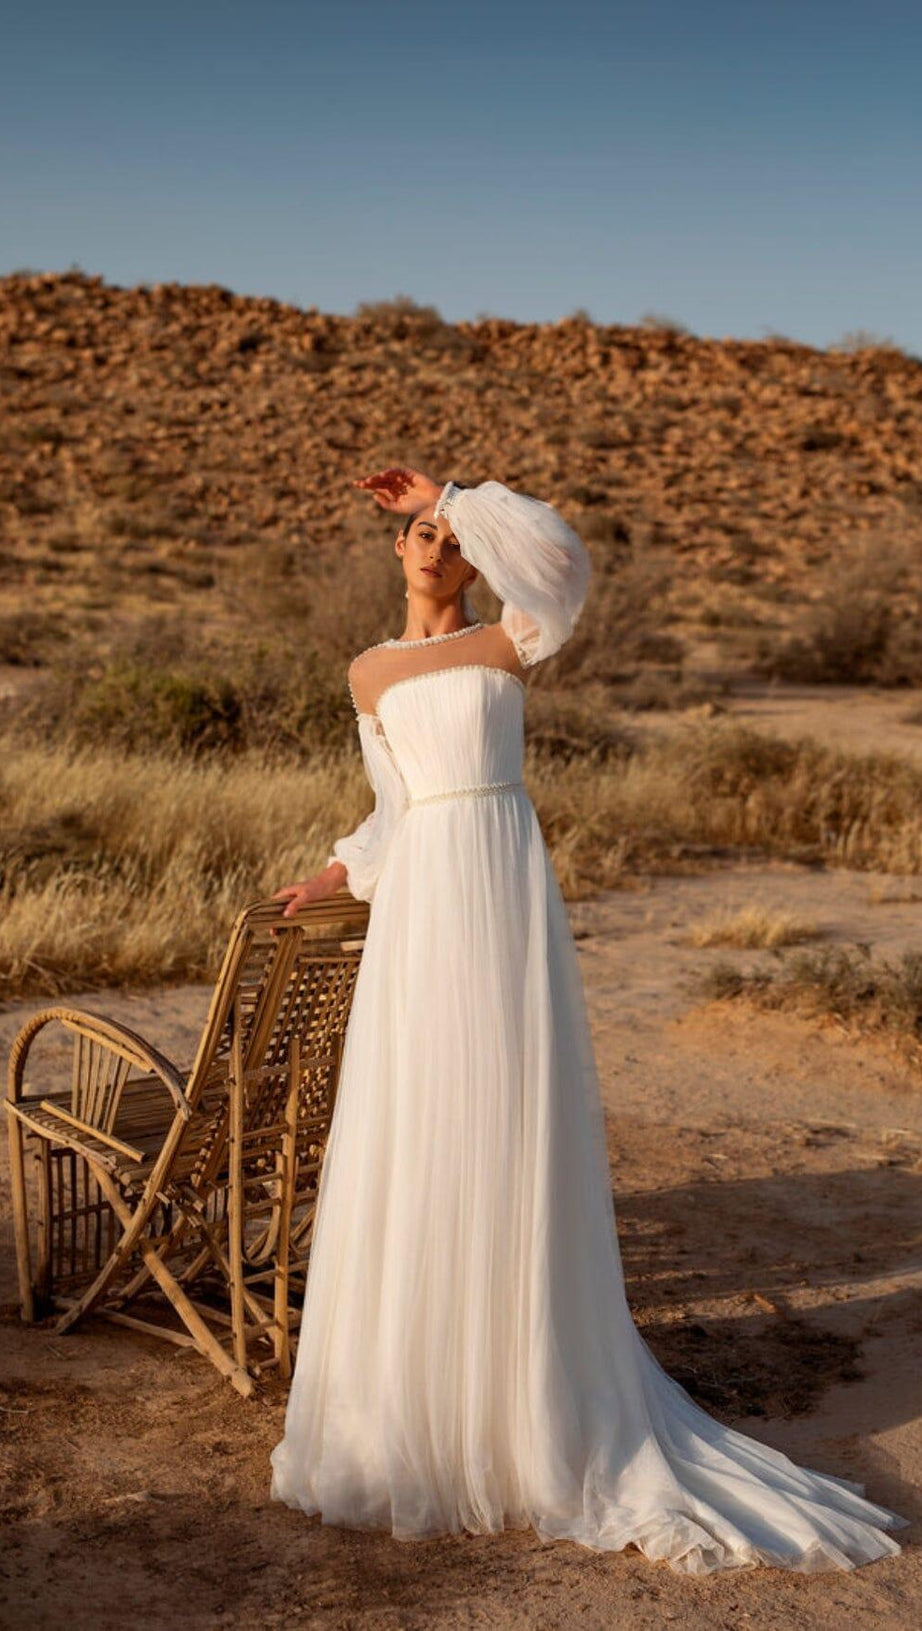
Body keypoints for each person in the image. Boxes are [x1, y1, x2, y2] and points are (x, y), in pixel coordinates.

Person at [268, 466, 908, 1574]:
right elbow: (391, 803)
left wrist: (457, 489)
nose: (433, 547)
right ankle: (414, 1392)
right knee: (423, 1117)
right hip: (422, 890)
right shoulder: (367, 670)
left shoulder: (511, 639)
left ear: (473, 555)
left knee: (508, 1111)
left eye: (452, 538)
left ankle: (525, 1387)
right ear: (394, 551)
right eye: (421, 534)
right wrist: (335, 871)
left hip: (501, 882)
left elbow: (563, 563)